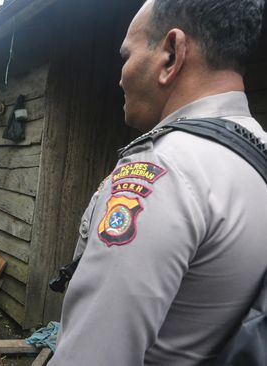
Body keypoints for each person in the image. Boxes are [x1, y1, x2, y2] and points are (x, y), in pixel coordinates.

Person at [49, 0, 267, 365]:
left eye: (126, 56)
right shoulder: (256, 153)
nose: (120, 76)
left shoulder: (162, 170)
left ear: (171, 54)